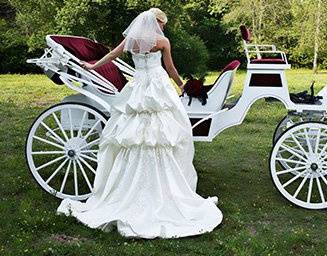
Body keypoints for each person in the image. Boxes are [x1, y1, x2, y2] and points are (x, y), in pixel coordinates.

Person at [56, 7, 223, 239]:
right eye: (162, 23)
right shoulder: (162, 41)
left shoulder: (131, 40)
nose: (163, 27)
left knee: (134, 134)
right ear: (156, 23)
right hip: (158, 85)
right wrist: (181, 84)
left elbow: (111, 55)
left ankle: (127, 185)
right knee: (161, 132)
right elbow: (170, 68)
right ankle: (165, 189)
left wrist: (93, 66)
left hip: (139, 86)